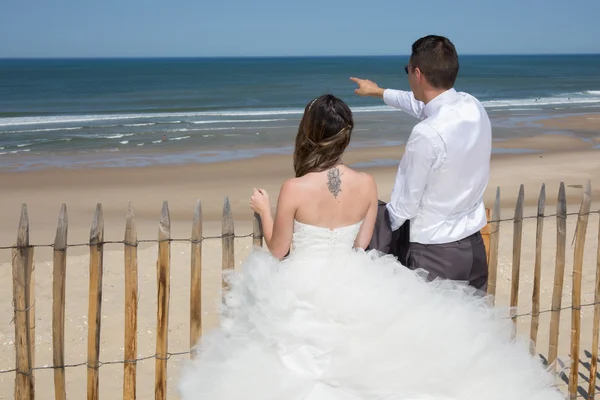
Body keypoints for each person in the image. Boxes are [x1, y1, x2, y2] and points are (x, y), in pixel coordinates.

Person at [178, 94, 560, 399]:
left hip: (300, 281)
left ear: (308, 134)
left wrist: (263, 210)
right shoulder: (366, 184)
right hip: (352, 278)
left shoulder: (295, 188)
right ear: (345, 136)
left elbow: (279, 250)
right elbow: (361, 244)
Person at [351, 35, 491, 291]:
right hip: (473, 248)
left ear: (417, 73)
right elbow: (421, 105)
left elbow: (404, 207)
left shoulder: (426, 134)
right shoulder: (473, 106)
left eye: (407, 70)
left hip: (435, 255)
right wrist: (378, 91)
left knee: (432, 330)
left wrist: (373, 230)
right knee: (471, 326)